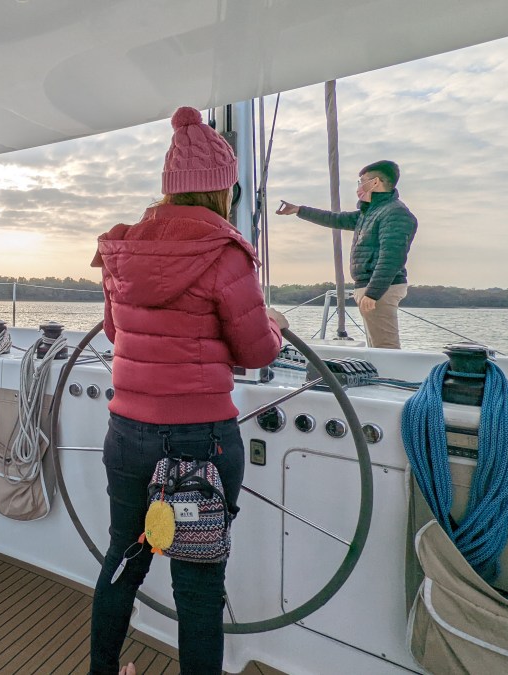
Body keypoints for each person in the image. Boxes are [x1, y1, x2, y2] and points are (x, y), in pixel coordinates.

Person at [89, 107, 285, 675]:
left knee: (124, 560)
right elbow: (256, 351)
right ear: (223, 189)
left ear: (170, 186)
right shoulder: (225, 252)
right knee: (198, 587)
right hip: (202, 443)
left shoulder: (122, 249)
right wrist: (275, 326)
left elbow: (115, 332)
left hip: (127, 435)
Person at [276, 160, 418, 349]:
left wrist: (373, 293)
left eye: (362, 181)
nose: (359, 187)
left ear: (375, 182)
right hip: (370, 286)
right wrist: (299, 210)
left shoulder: (395, 213)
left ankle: (390, 370)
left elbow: (391, 258)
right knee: (377, 346)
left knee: (385, 347)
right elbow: (335, 219)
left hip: (381, 288)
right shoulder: (369, 213)